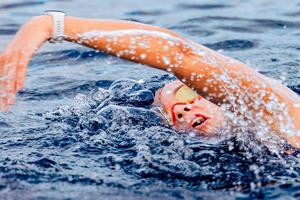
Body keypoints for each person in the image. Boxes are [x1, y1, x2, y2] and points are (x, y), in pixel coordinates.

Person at [0, 12, 299, 148]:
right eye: (171, 114)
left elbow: (181, 54)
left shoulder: (281, 113)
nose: (181, 110)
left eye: (186, 93)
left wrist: (52, 25)